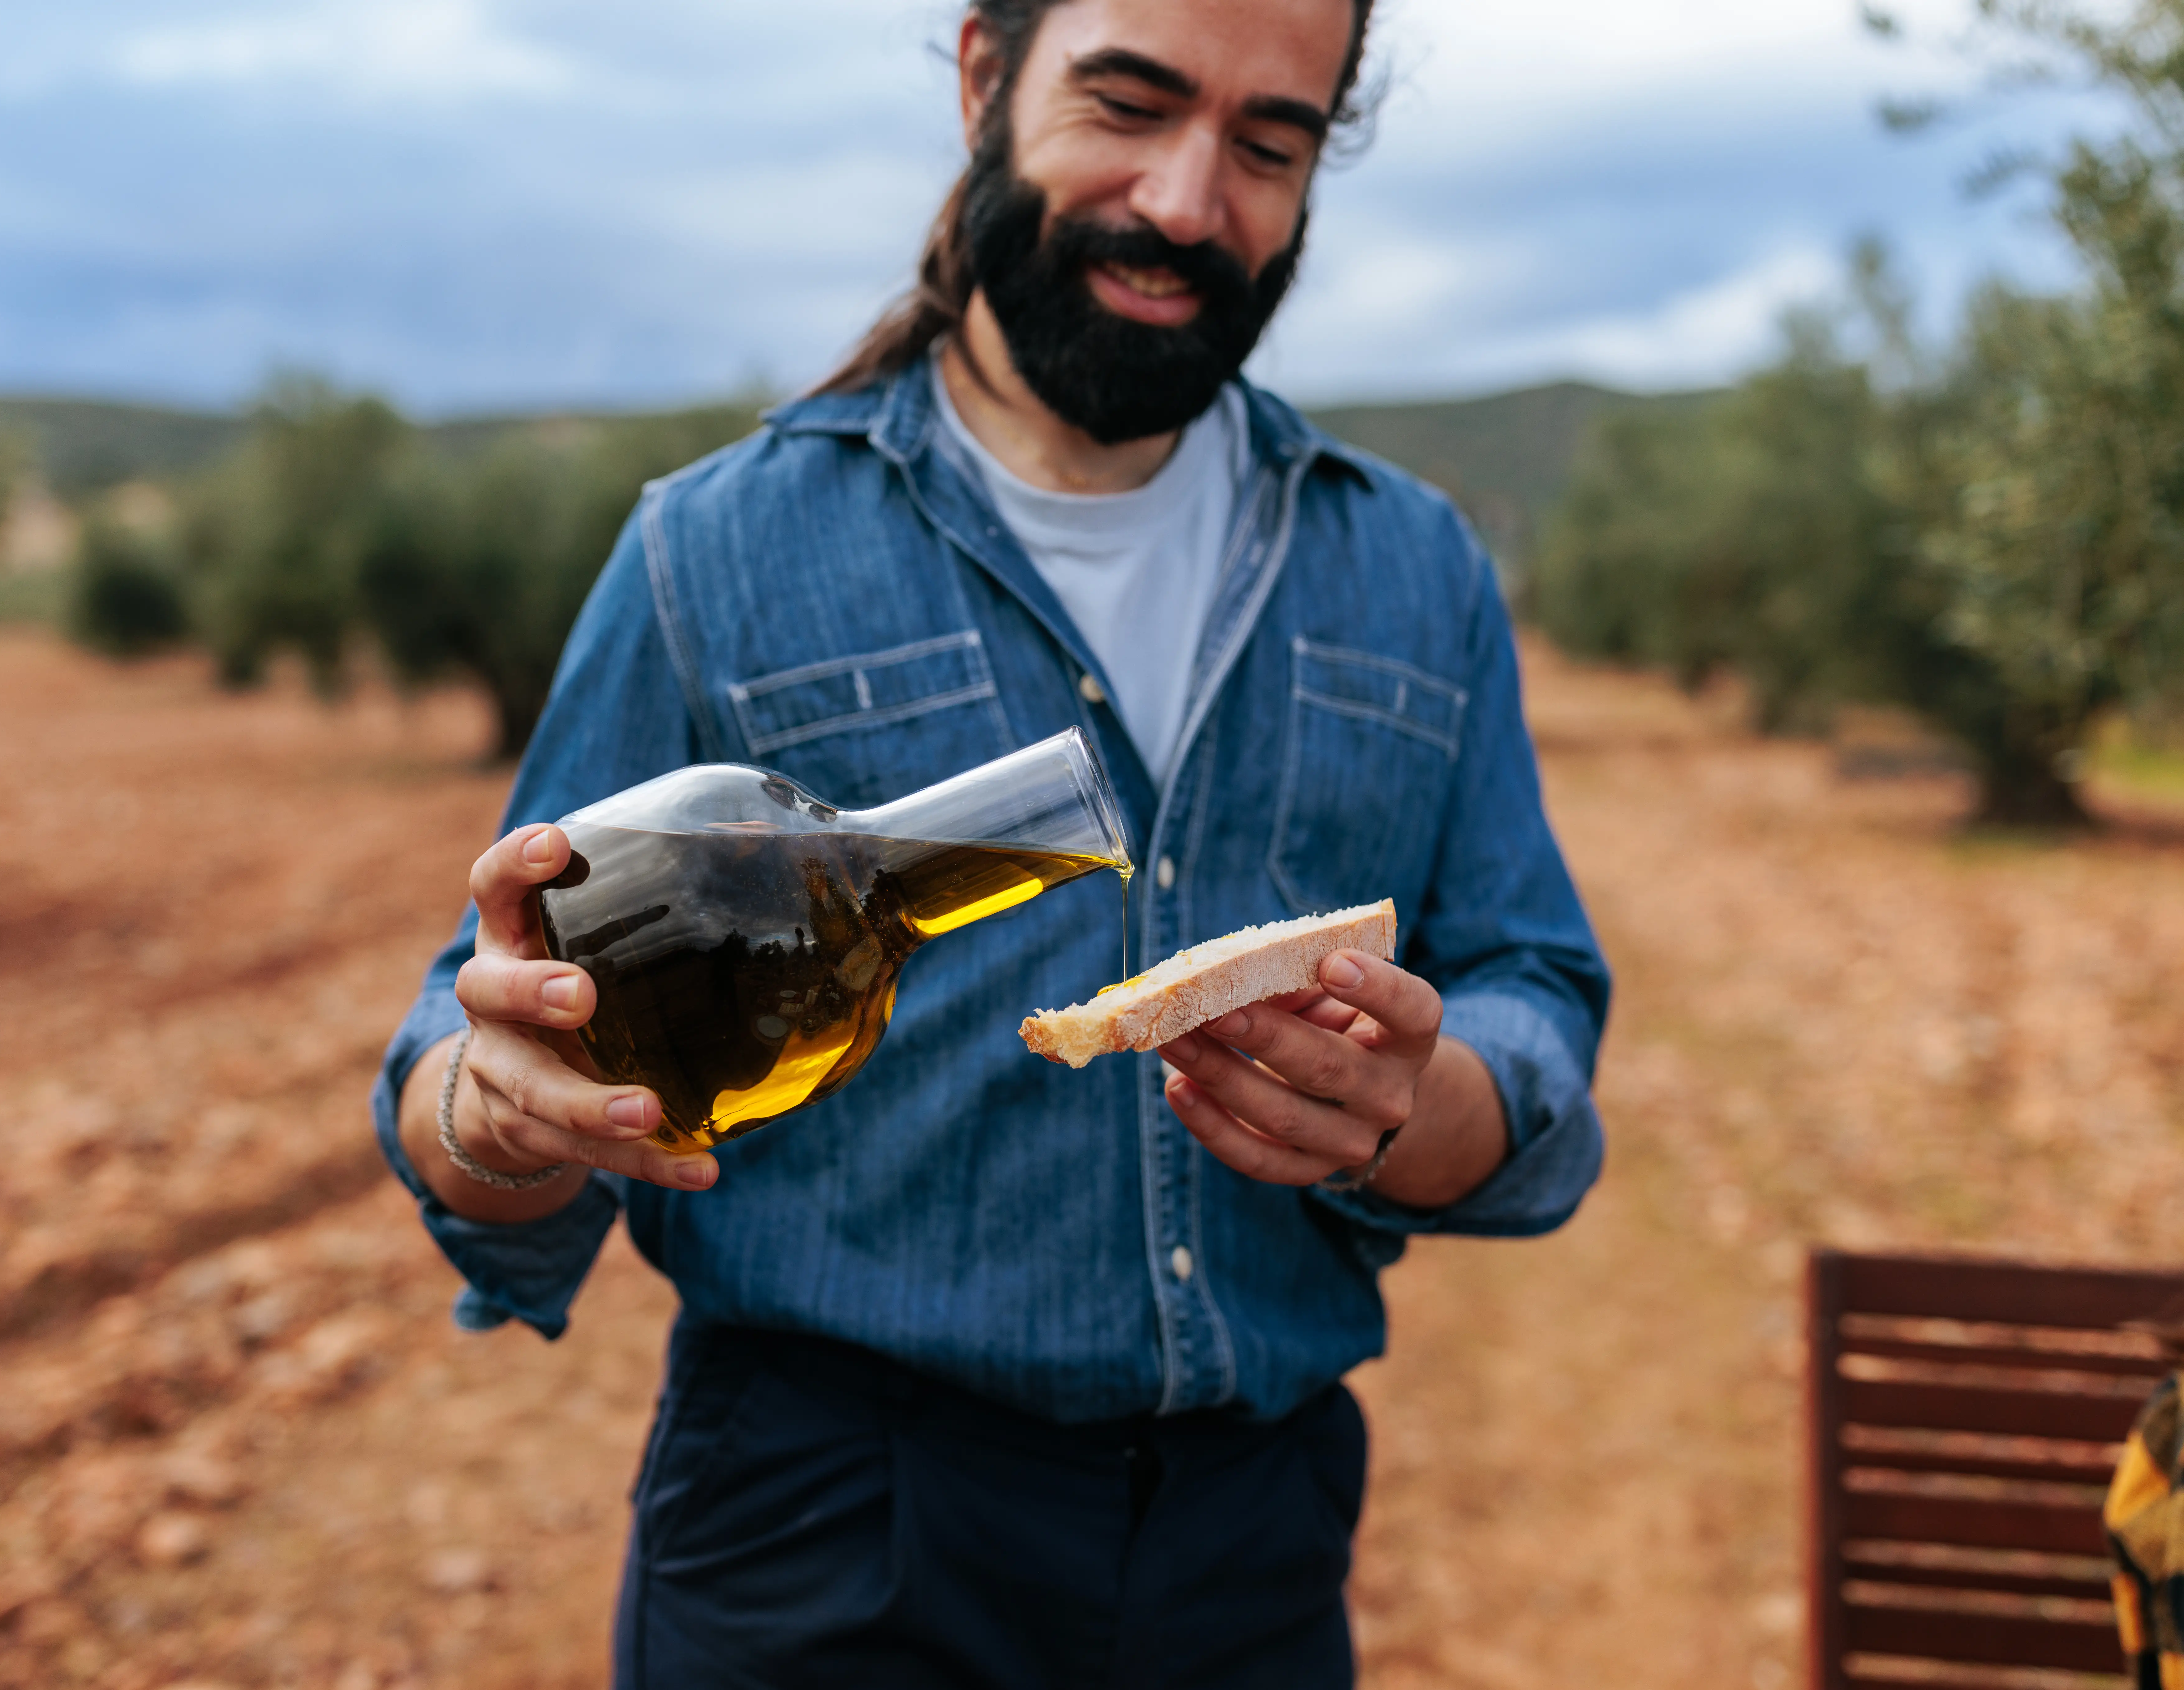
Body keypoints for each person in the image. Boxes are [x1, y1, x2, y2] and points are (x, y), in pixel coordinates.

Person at [372, 0, 1609, 1682]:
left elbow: (1532, 986)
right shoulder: (714, 550)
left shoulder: (1414, 570)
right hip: (825, 1546)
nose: (1186, 202)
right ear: (983, 79)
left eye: (1269, 144)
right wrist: (492, 1103)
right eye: (1129, 103)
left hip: (1255, 1550)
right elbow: (483, 1032)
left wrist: (1422, 1107)